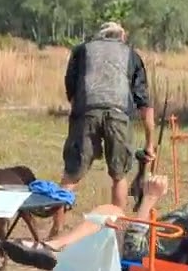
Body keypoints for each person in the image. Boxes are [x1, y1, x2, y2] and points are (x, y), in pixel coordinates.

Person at [3, 141, 188, 271]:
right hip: (165, 257)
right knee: (111, 212)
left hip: (147, 267)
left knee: (108, 216)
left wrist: (149, 199)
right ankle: (54, 247)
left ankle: (54, 248)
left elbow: (136, 249)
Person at [54, 21, 156, 238]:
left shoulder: (82, 51)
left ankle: (56, 231)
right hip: (119, 116)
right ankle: (115, 234)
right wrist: (150, 142)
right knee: (119, 176)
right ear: (122, 37)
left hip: (86, 113)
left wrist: (79, 118)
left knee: (71, 174)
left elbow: (71, 91)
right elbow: (144, 103)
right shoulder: (131, 55)